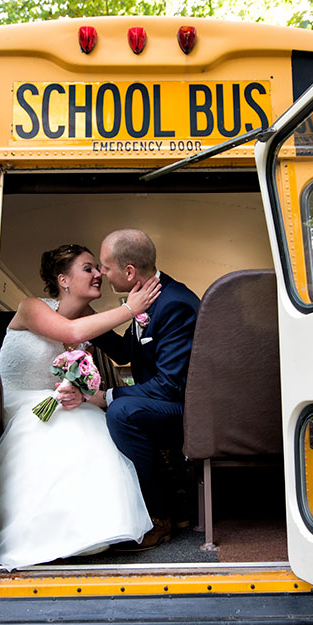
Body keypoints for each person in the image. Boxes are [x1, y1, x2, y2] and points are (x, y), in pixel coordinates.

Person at [0, 243, 162, 569]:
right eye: (89, 268)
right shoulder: (31, 307)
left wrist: (80, 394)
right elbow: (70, 332)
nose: (99, 274)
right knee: (67, 425)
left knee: (90, 418)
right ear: (63, 280)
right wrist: (129, 308)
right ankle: (41, 532)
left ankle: (91, 531)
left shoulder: (87, 317)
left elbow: (121, 353)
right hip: (14, 399)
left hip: (52, 399)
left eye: (98, 268)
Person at [59, 229, 200, 551]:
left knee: (123, 413)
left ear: (129, 272)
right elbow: (126, 354)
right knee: (120, 408)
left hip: (187, 408)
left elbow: (170, 385)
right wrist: (86, 318)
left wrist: (106, 398)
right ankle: (170, 510)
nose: (101, 274)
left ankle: (158, 517)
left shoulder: (174, 303)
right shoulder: (148, 298)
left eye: (105, 267)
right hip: (168, 399)